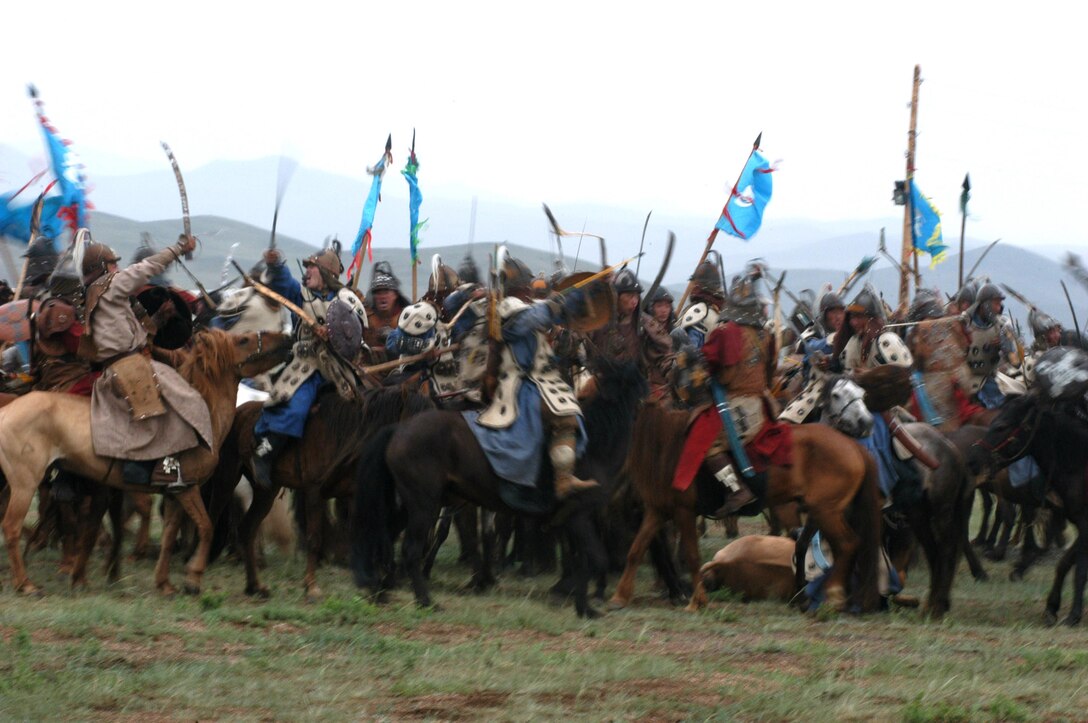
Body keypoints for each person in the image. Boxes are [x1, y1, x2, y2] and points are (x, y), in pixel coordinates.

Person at [77, 235, 213, 492]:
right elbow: (146, 267)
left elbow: (129, 332)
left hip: (123, 362)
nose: (117, 268)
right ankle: (152, 467)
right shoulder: (110, 283)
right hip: (127, 366)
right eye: (112, 264)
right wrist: (179, 248)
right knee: (185, 398)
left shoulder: (96, 292)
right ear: (102, 268)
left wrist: (158, 321)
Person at [465, 250, 599, 499]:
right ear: (519, 288)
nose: (529, 291)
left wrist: (579, 297)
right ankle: (563, 481)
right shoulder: (507, 308)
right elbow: (532, 318)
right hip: (520, 384)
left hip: (538, 379)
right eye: (525, 286)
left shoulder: (520, 306)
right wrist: (557, 303)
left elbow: (547, 313)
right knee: (565, 416)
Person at [250, 245, 367, 488]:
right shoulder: (301, 295)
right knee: (295, 409)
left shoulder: (346, 301)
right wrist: (276, 264)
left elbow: (354, 338)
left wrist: (333, 336)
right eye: (307, 267)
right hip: (306, 368)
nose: (307, 271)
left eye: (312, 267)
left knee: (364, 406)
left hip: (338, 370)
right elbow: (284, 282)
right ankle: (264, 453)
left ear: (325, 273)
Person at [697, 275, 777, 516]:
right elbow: (771, 372)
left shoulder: (727, 332)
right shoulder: (766, 334)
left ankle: (738, 489)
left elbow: (724, 373)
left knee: (709, 445)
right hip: (765, 401)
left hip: (741, 404)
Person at [832, 285, 916, 504]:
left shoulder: (887, 341)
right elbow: (843, 372)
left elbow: (903, 375)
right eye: (852, 318)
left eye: (859, 318)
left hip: (883, 408)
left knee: (872, 438)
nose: (853, 322)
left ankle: (880, 489)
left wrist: (872, 375)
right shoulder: (853, 343)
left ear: (871, 319)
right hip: (853, 406)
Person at [588, 268, 673, 400]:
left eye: (636, 296)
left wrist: (675, 371)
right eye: (629, 296)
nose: (634, 301)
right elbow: (575, 347)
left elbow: (664, 355)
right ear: (616, 296)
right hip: (597, 386)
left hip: (629, 393)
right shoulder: (597, 319)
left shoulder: (645, 324)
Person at [962, 283, 1021, 408]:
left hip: (989, 381)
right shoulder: (963, 324)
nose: (999, 308)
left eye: (1000, 304)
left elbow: (1016, 363)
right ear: (985, 305)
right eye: (996, 303)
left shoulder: (1002, 327)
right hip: (963, 380)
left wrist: (1006, 346)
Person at [364, 261, 409, 358]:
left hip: (400, 368)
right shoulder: (365, 317)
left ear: (395, 295)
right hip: (369, 368)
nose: (382, 296)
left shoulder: (407, 317)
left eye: (386, 292)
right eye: (378, 293)